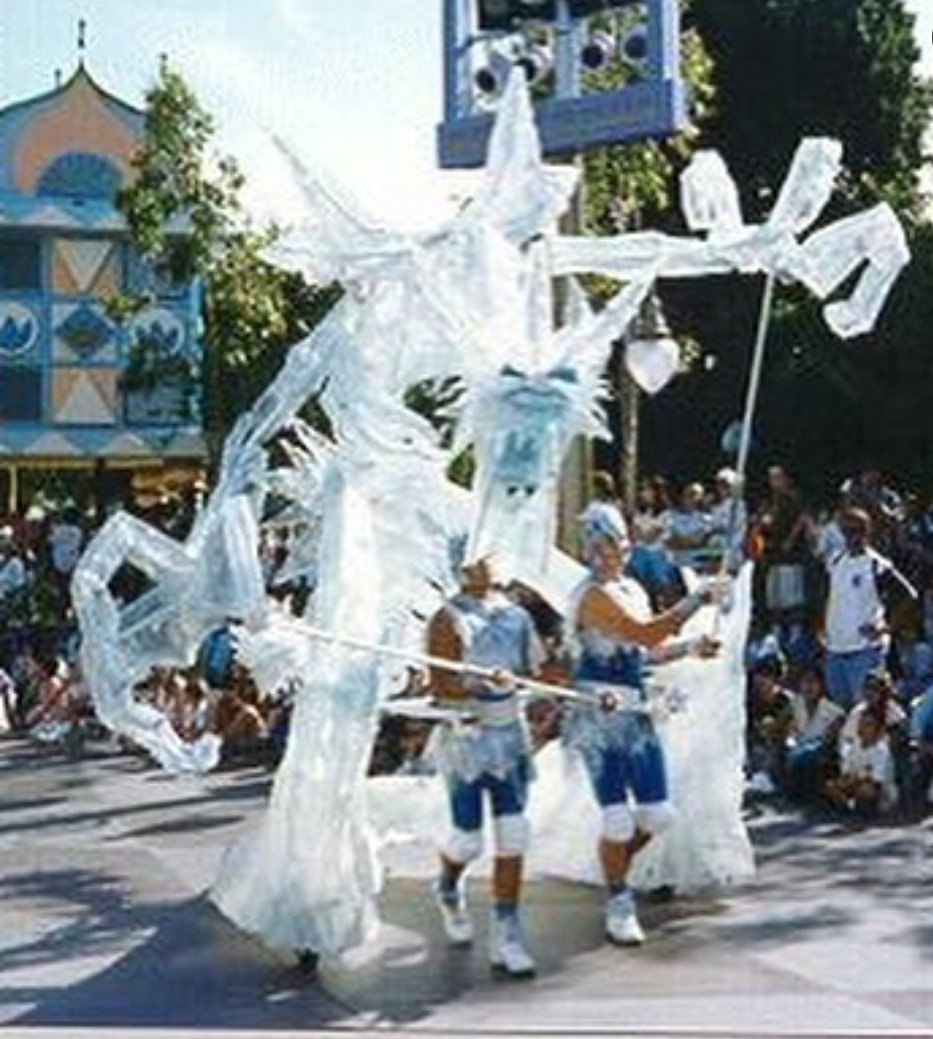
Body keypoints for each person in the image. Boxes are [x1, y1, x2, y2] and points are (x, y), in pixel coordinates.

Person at [561, 508, 722, 947]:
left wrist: (691, 646)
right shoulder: (591, 596)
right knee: (615, 820)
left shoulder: (631, 587)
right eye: (605, 544)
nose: (614, 552)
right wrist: (694, 601)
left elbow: (648, 652)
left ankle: (615, 867)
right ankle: (618, 899)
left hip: (636, 713)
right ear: (591, 548)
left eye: (618, 543)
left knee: (658, 814)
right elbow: (642, 633)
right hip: (598, 718)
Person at [426, 554, 543, 979]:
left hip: (511, 738)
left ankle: (507, 931)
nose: (487, 562)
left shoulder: (517, 615)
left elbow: (537, 671)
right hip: (468, 741)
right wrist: (477, 684)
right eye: (477, 555)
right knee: (468, 841)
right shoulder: (447, 618)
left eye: (493, 552)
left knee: (514, 834)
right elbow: (441, 686)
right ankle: (446, 885)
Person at [823, 508, 916, 710]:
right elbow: (830, 598)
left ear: (867, 532)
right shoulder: (835, 561)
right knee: (840, 711)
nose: (852, 536)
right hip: (835, 649)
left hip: (864, 651)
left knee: (865, 711)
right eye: (847, 530)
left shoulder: (876, 565)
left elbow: (909, 595)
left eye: (857, 530)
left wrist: (886, 628)